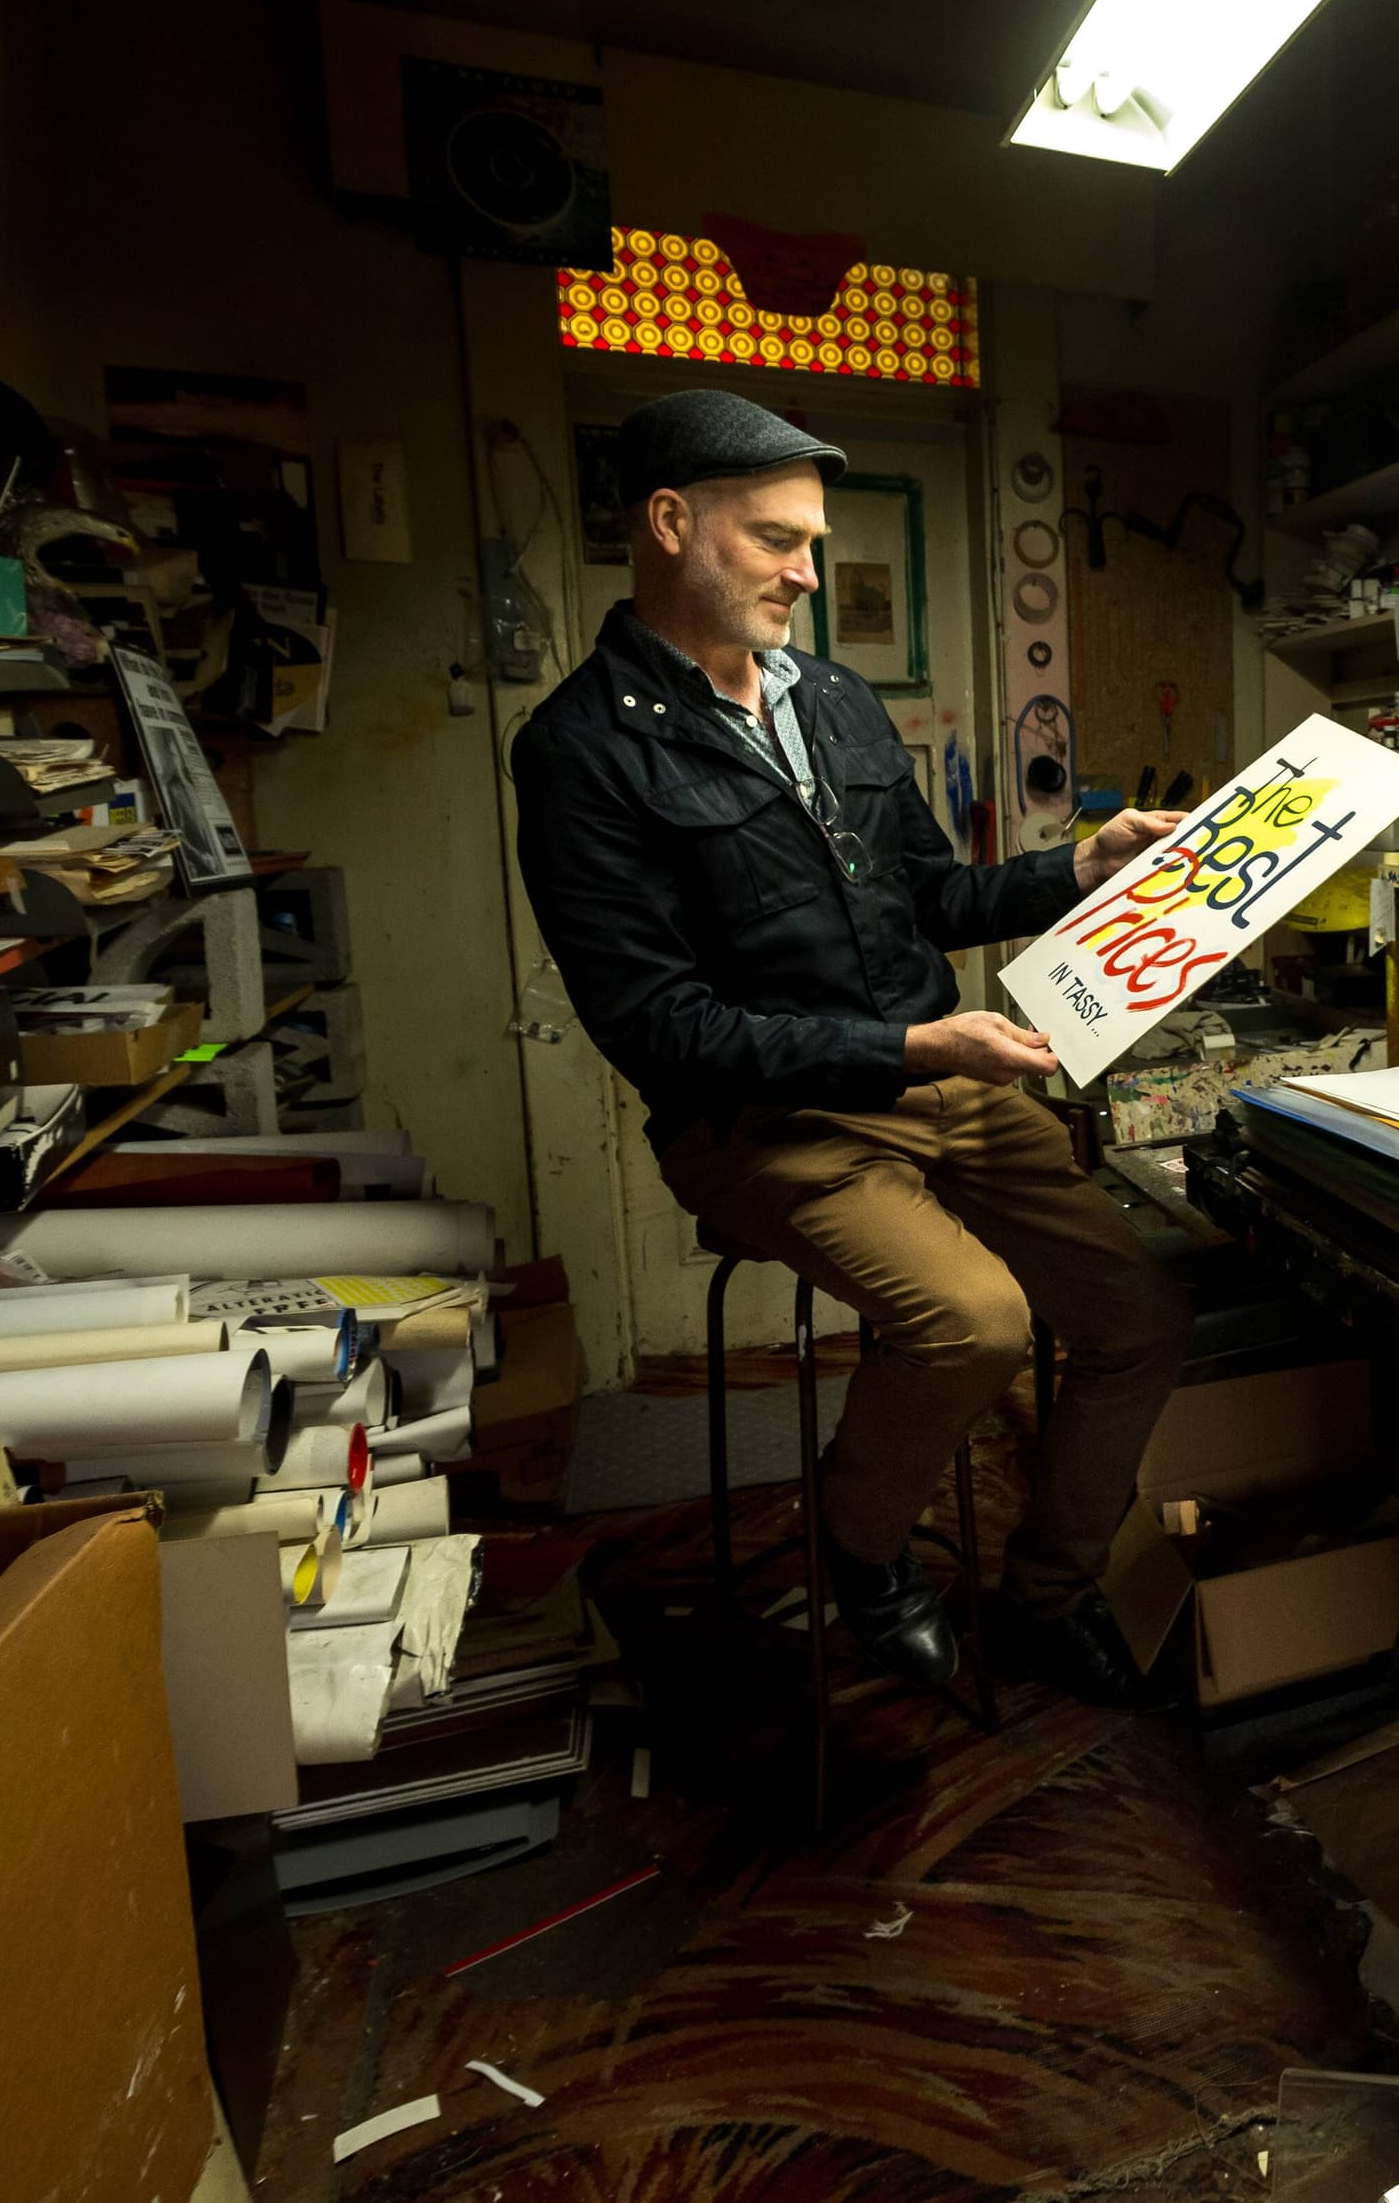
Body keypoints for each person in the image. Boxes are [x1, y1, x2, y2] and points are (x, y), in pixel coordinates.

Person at [511, 389, 1192, 1708]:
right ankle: (863, 1545)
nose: (808, 576)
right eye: (777, 541)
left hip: (937, 1077)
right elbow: (660, 1030)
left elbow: (930, 896)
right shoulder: (580, 751)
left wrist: (1077, 867)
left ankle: (1049, 1593)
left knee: (1140, 1318)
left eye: (811, 544)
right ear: (670, 523)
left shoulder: (834, 700)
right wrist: (913, 1045)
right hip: (762, 1123)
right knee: (975, 1321)